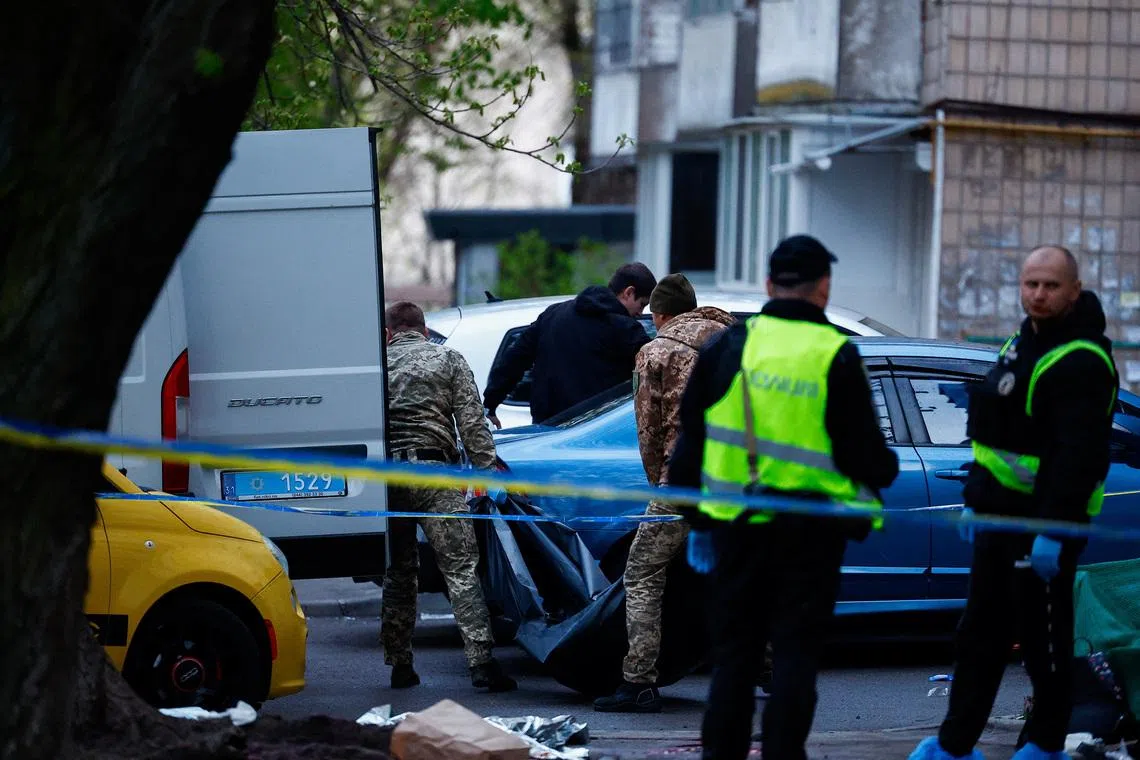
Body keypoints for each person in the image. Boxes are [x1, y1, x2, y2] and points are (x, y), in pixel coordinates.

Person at [667, 235, 900, 760]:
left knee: (734, 661)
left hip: (737, 531)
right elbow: (868, 458)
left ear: (770, 285)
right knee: (794, 657)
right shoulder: (836, 354)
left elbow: (690, 446)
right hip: (811, 538)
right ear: (824, 289)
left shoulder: (728, 347)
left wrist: (698, 522)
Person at [908, 247, 1118, 760]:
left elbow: (1078, 458)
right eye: (1030, 285)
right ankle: (954, 744)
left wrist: (1054, 529)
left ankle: (1043, 745)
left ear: (1073, 290)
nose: (1038, 295)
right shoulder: (1020, 342)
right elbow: (994, 434)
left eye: (1050, 285)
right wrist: (976, 498)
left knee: (1044, 645)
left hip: (1041, 527)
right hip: (997, 520)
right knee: (978, 637)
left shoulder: (1081, 360)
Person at [593, 274, 736, 713]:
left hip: (684, 481)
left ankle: (639, 680)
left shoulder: (655, 351)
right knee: (735, 572)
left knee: (642, 573)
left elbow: (649, 433)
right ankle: (761, 665)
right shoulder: (734, 339)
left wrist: (662, 487)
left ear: (660, 314)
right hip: (737, 482)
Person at [381, 301, 518, 693]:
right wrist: (488, 470)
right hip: (436, 475)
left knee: (399, 571)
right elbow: (472, 423)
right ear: (424, 331)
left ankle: (400, 665)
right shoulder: (448, 359)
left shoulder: (377, 366)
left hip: (388, 479)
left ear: (389, 333)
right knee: (459, 568)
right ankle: (481, 663)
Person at [482, 262, 657, 426]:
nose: (640, 313)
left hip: (545, 432)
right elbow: (655, 372)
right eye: (642, 304)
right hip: (595, 433)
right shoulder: (627, 329)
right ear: (628, 292)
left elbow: (515, 359)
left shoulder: (553, 314)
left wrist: (491, 402)